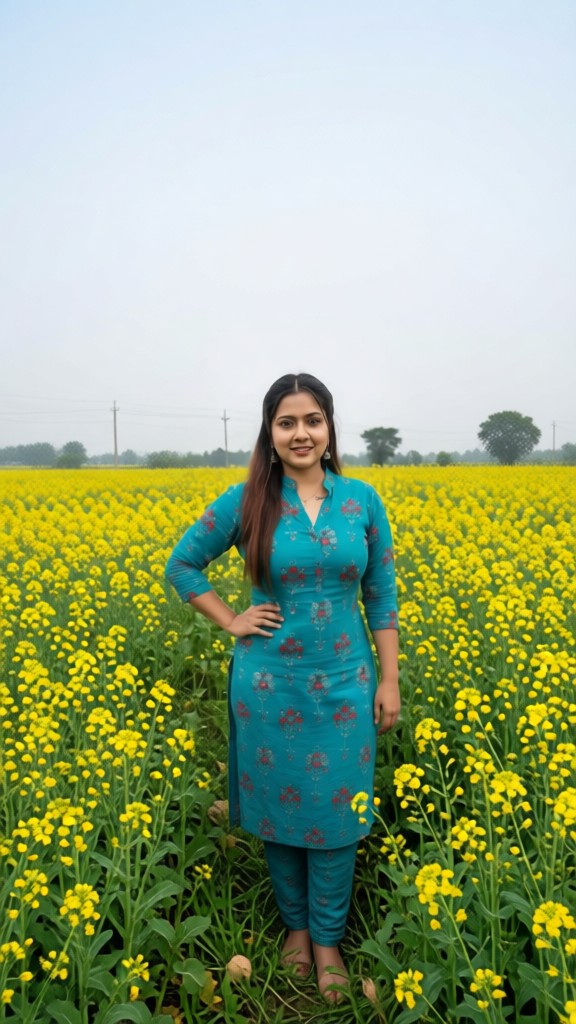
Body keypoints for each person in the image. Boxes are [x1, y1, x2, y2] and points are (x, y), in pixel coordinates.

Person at [166, 372, 399, 1002]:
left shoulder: (362, 500)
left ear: (329, 430)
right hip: (268, 685)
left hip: (346, 684)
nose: (301, 433)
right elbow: (181, 565)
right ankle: (296, 930)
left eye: (313, 420)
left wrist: (390, 678)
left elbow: (380, 594)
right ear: (270, 434)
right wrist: (230, 618)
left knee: (337, 813)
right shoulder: (248, 502)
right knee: (279, 809)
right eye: (287, 422)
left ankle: (329, 939)